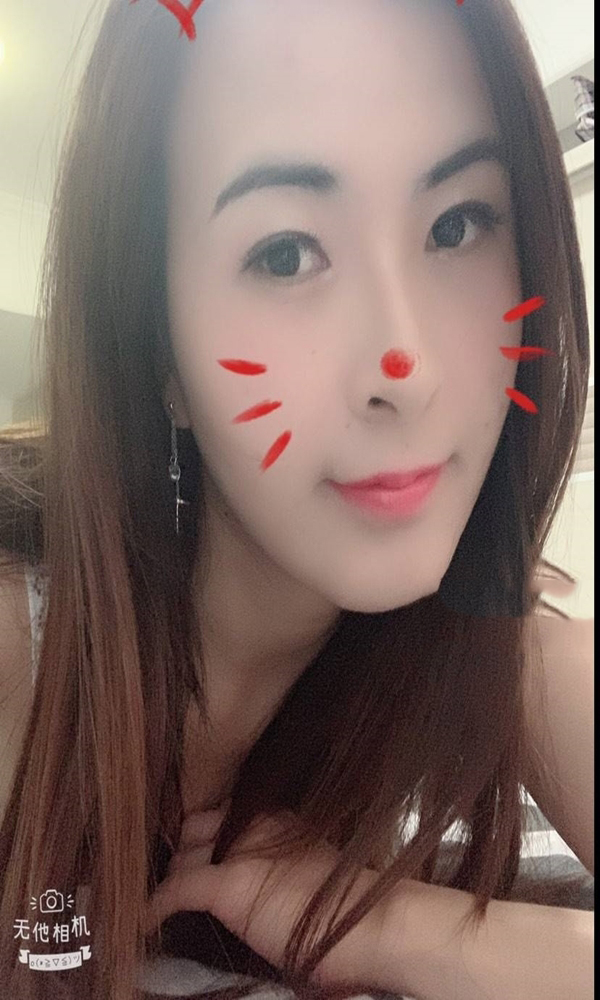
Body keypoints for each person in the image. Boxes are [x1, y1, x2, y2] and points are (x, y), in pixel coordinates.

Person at [0, 0, 593, 997]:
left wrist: (391, 925)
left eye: (456, 225)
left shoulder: (500, 646)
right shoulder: (23, 648)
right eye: (285, 253)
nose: (408, 371)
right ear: (158, 352)